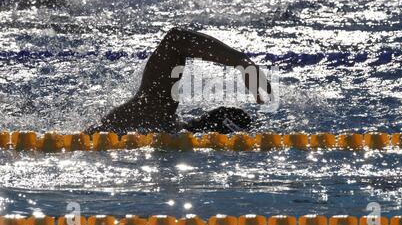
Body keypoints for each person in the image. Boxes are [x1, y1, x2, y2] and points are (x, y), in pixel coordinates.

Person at [84, 27, 272, 136]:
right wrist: (241, 63)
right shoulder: (156, 114)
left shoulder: (155, 113)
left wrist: (242, 63)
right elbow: (175, 39)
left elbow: (176, 41)